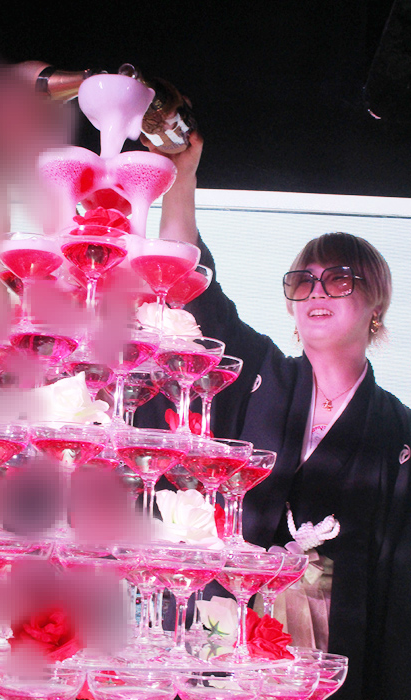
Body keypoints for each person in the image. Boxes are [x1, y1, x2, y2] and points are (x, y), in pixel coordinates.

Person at [136, 133, 411, 700]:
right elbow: (192, 292)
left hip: (332, 636)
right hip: (227, 616)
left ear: (376, 304)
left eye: (339, 279)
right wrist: (182, 179)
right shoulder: (260, 370)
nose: (317, 292)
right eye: (302, 281)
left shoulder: (399, 431)